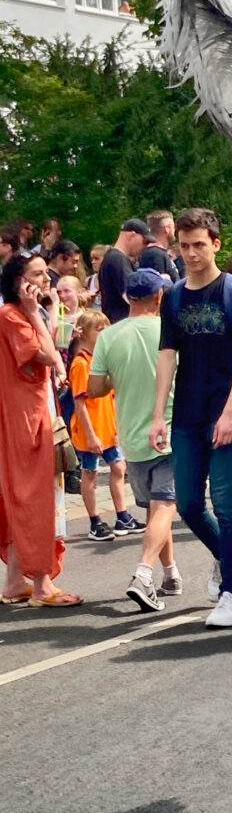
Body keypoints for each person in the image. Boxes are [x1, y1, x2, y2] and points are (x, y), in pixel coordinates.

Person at [149, 207, 232, 629]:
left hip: (226, 411)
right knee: (191, 506)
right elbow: (167, 356)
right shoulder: (175, 296)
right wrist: (158, 413)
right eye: (185, 245)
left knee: (227, 503)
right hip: (187, 416)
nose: (192, 253)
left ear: (216, 243)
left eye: (200, 244)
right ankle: (224, 555)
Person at [89, 268, 181, 612]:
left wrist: (119, 377)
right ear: (158, 297)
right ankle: (143, 574)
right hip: (169, 430)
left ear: (128, 297)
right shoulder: (168, 330)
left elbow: (96, 388)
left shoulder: (109, 337)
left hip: (130, 434)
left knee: (158, 507)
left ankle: (171, 574)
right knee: (165, 506)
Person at [0, 252, 82, 607]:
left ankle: (16, 581)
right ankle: (42, 583)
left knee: (24, 494)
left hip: (30, 411)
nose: (46, 279)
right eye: (37, 274)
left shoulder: (17, 314)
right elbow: (49, 355)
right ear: (20, 284)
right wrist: (36, 312)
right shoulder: (13, 316)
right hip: (26, 417)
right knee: (36, 495)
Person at [70, 309, 145, 542]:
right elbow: (80, 404)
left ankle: (122, 515)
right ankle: (95, 521)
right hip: (90, 430)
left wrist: (116, 427)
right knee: (90, 473)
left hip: (108, 427)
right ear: (84, 333)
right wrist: (91, 436)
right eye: (98, 329)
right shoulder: (81, 364)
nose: (103, 333)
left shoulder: (99, 360)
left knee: (119, 467)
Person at [99, 218, 155, 324]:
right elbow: (131, 295)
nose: (146, 246)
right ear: (131, 235)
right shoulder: (117, 259)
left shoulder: (114, 257)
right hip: (120, 324)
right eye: (145, 241)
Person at [138, 211, 180, 283]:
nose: (174, 230)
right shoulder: (156, 255)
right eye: (173, 227)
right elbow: (158, 289)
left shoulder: (156, 253)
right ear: (166, 229)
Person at [86, 244, 110, 308]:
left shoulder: (113, 280)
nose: (92, 262)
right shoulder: (88, 280)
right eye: (92, 259)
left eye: (96, 259)